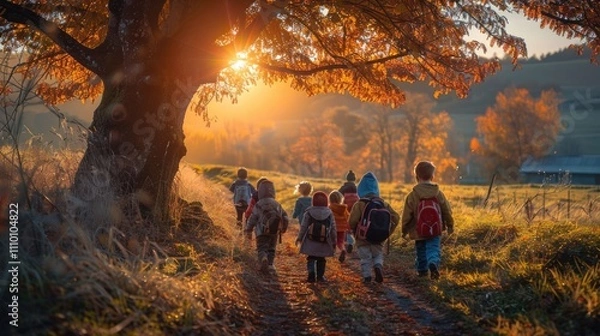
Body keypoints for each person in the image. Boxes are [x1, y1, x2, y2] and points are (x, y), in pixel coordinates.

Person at [401, 161, 454, 280]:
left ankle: (422, 271)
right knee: (433, 247)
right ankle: (433, 262)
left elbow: (407, 215)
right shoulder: (438, 193)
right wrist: (450, 225)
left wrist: (404, 229)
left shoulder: (412, 195)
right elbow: (446, 210)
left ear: (416, 177)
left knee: (421, 250)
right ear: (432, 176)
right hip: (435, 228)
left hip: (418, 229)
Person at [348, 172, 400, 283]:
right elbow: (396, 217)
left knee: (365, 258)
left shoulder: (359, 204)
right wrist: (387, 232)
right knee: (378, 255)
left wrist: (355, 231)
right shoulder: (383, 203)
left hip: (362, 238)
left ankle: (367, 276)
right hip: (379, 237)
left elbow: (352, 221)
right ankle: (378, 266)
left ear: (360, 189)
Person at [246, 179, 289, 273]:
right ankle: (270, 265)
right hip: (274, 231)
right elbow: (285, 217)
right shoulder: (277, 204)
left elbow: (253, 218)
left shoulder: (259, 204)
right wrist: (283, 228)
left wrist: (248, 229)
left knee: (261, 248)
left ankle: (263, 258)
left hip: (261, 232)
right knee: (272, 249)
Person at [296, 191, 337, 283]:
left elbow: (304, 226)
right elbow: (333, 228)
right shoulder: (329, 213)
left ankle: (311, 274)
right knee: (321, 259)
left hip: (310, 239)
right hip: (324, 240)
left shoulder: (309, 212)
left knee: (311, 257)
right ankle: (320, 277)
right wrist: (334, 241)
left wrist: (299, 237)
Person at [339, 170, 359, 252]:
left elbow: (338, 197)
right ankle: (352, 242)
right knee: (353, 225)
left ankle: (347, 242)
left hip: (345, 208)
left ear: (347, 179)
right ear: (354, 179)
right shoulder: (357, 188)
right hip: (356, 209)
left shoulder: (343, 188)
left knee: (345, 226)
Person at [328, 190, 350, 262]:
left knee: (332, 240)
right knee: (340, 241)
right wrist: (349, 228)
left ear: (330, 199)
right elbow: (347, 217)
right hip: (342, 228)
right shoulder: (343, 208)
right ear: (340, 199)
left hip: (332, 228)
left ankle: (332, 253)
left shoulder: (329, 208)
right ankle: (342, 249)